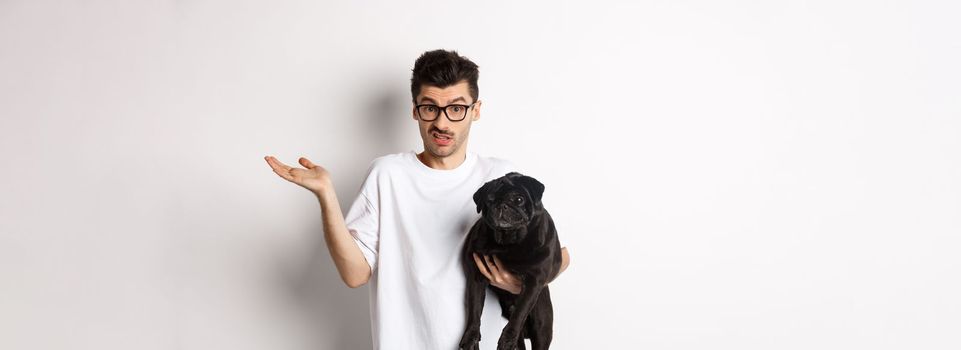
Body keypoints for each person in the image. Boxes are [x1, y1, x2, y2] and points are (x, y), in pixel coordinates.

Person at [265, 49, 570, 350]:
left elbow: (559, 256)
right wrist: (326, 196)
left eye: (456, 108)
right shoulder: (387, 174)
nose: (442, 122)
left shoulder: (501, 177)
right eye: (430, 108)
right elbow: (355, 274)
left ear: (475, 110)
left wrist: (521, 285)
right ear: (415, 110)